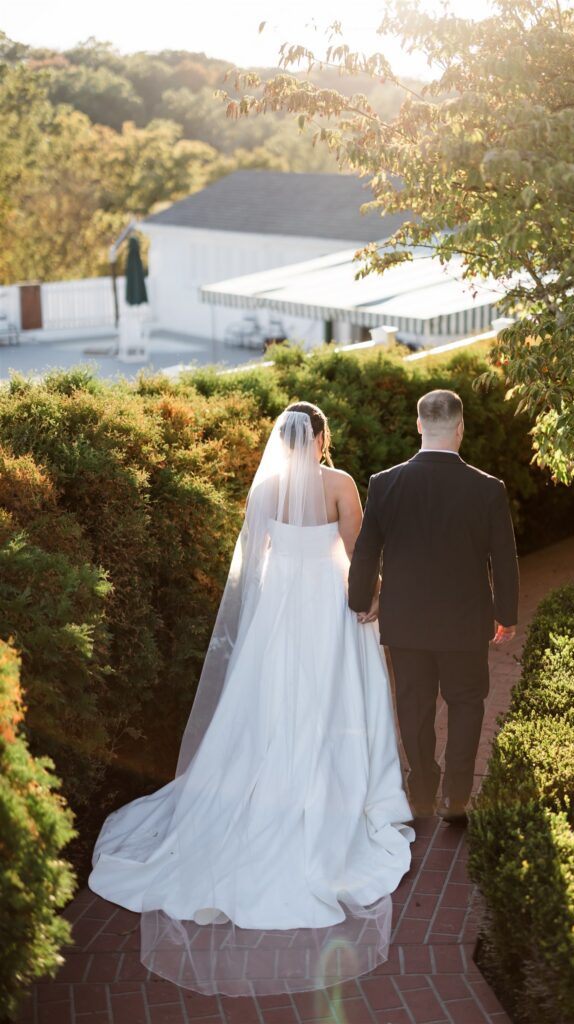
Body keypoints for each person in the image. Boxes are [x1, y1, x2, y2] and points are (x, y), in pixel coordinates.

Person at [89, 403, 414, 997]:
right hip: (330, 606)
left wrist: (266, 623)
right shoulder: (340, 483)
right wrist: (371, 600)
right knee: (336, 700)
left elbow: (254, 565)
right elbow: (360, 554)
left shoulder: (264, 488)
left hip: (280, 612)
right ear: (320, 438)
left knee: (272, 705)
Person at [348, 389, 519, 826]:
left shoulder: (385, 483)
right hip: (465, 622)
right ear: (460, 428)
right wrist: (506, 614)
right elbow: (503, 557)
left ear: (419, 425)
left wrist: (359, 599)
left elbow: (366, 552)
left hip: (405, 622)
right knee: (466, 704)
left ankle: (421, 790)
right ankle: (455, 798)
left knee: (413, 705)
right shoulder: (487, 489)